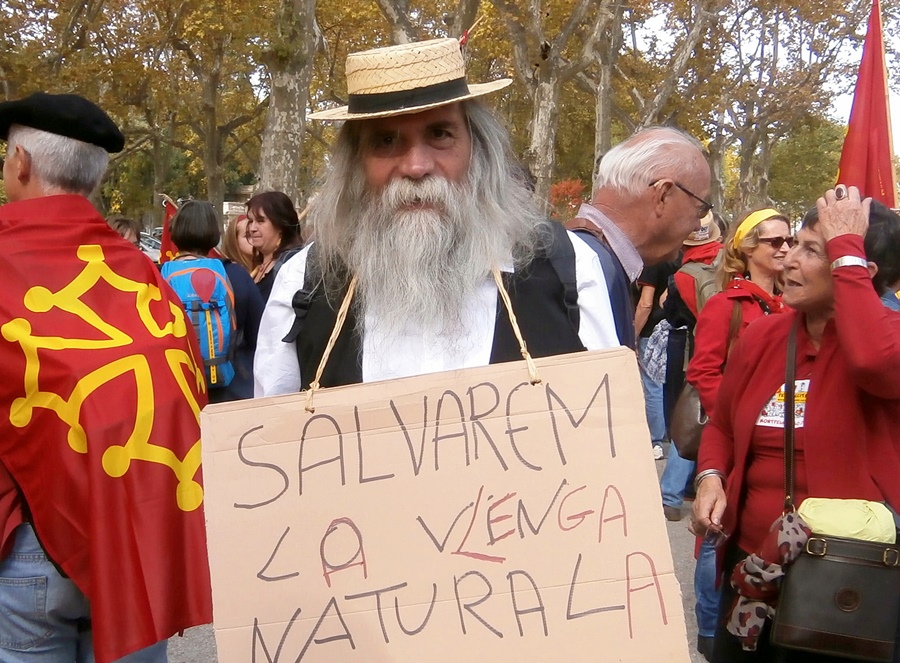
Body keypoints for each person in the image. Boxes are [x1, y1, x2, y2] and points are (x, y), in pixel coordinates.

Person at [254, 37, 618, 397]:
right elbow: (271, 438)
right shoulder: (304, 282)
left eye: (440, 134)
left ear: (478, 148)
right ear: (356, 164)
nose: (416, 166)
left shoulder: (566, 267)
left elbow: (605, 426)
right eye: (385, 141)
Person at [0, 93, 211, 663]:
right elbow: (186, 387)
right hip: (136, 536)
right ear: (95, 178)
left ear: (20, 162)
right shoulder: (144, 273)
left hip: (27, 542)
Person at [691, 186, 900, 661]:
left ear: (858, 273)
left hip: (847, 578)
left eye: (811, 250)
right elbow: (722, 424)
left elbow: (871, 362)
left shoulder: (886, 342)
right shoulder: (763, 335)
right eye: (791, 246)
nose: (788, 260)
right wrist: (709, 476)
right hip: (754, 570)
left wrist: (846, 244)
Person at [683, 207, 790, 661]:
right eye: (774, 242)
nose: (785, 248)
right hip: (731, 443)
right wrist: (733, 417)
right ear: (747, 250)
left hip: (777, 448)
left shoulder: (795, 304)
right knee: (717, 533)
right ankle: (712, 633)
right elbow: (703, 370)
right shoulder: (726, 307)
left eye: (790, 241)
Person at [564, 125, 713, 348]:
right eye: (700, 208)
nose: (697, 225)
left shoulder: (580, 259)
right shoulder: (588, 269)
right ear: (663, 195)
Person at [166, 200, 264, 402]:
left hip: (178, 393)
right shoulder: (236, 275)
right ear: (214, 233)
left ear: (174, 233)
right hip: (231, 390)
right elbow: (261, 337)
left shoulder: (160, 277)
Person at [246, 190, 303, 301]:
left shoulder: (292, 265)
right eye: (250, 221)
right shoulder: (259, 266)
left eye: (260, 221)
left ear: (281, 225)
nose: (252, 228)